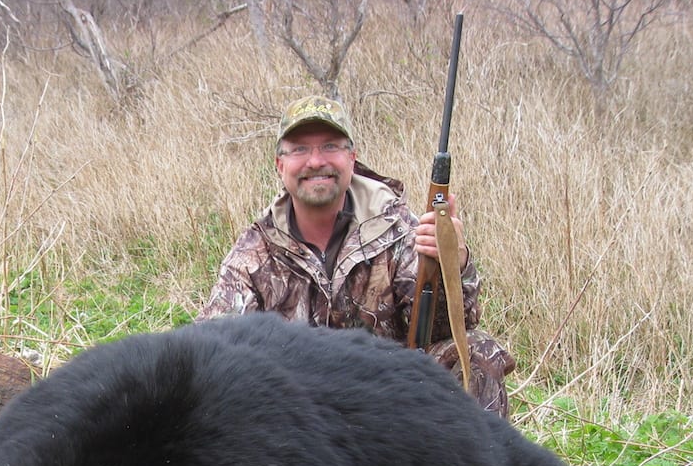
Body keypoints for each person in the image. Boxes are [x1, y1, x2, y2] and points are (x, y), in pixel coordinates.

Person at [198, 95, 515, 417]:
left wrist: (453, 263)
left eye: (330, 147)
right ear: (280, 165)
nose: (315, 161)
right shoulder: (254, 251)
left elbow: (445, 331)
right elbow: (212, 344)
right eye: (300, 149)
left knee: (476, 351)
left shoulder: (399, 228)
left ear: (352, 157)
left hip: (390, 398)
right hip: (297, 413)